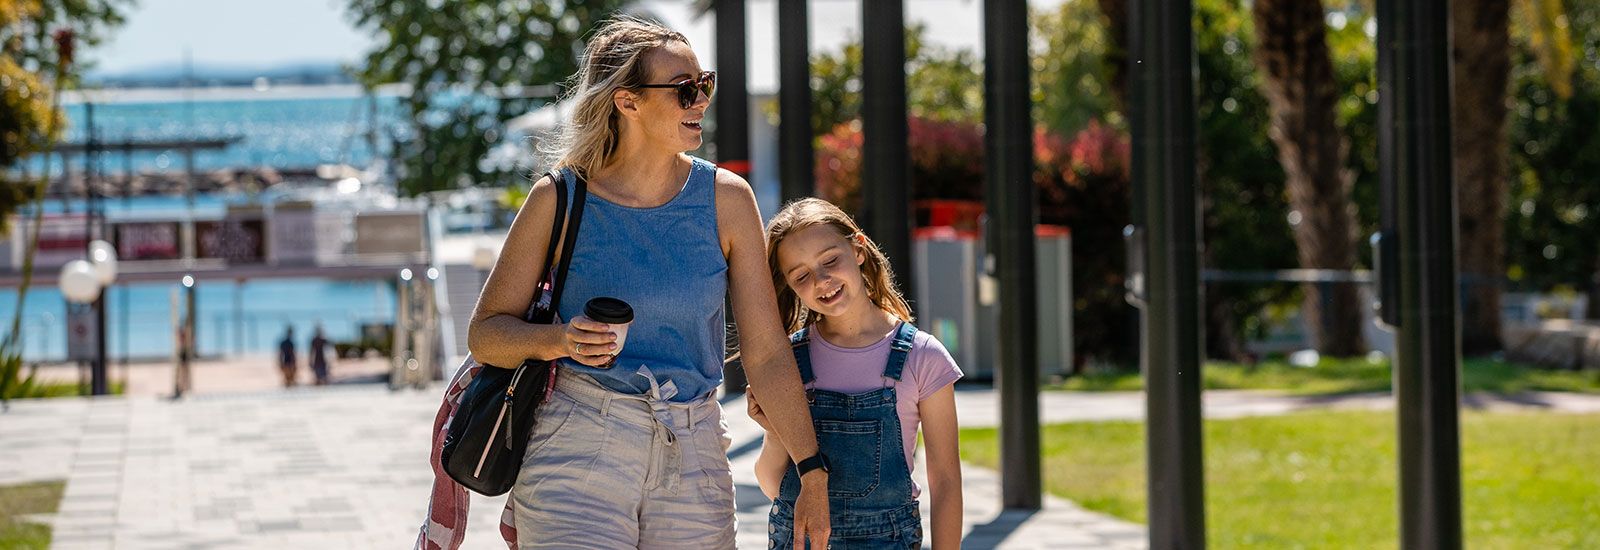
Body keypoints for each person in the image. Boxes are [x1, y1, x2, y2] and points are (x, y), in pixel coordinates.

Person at [446, 16, 832, 548]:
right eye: (683, 90)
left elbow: (765, 353)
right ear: (627, 101)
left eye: (705, 84)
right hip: (576, 445)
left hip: (693, 451)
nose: (700, 100)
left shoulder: (727, 200)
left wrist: (812, 469)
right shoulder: (558, 198)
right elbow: (486, 334)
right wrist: (559, 340)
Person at [751, 198, 964, 549]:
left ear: (859, 249)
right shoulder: (787, 360)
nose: (822, 281)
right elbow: (774, 485)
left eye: (831, 260)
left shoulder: (923, 357)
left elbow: (945, 481)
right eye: (801, 276)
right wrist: (775, 433)